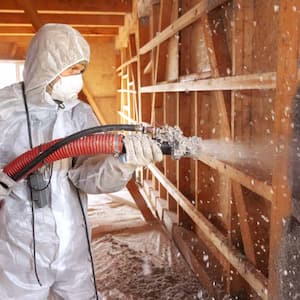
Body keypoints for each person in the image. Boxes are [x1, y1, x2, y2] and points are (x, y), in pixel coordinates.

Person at [0, 23, 162, 300]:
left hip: (73, 247)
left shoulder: (79, 114)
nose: (77, 78)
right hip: (19, 250)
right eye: (71, 69)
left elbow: (89, 178)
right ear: (46, 66)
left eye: (81, 70)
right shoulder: (5, 111)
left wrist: (123, 163)